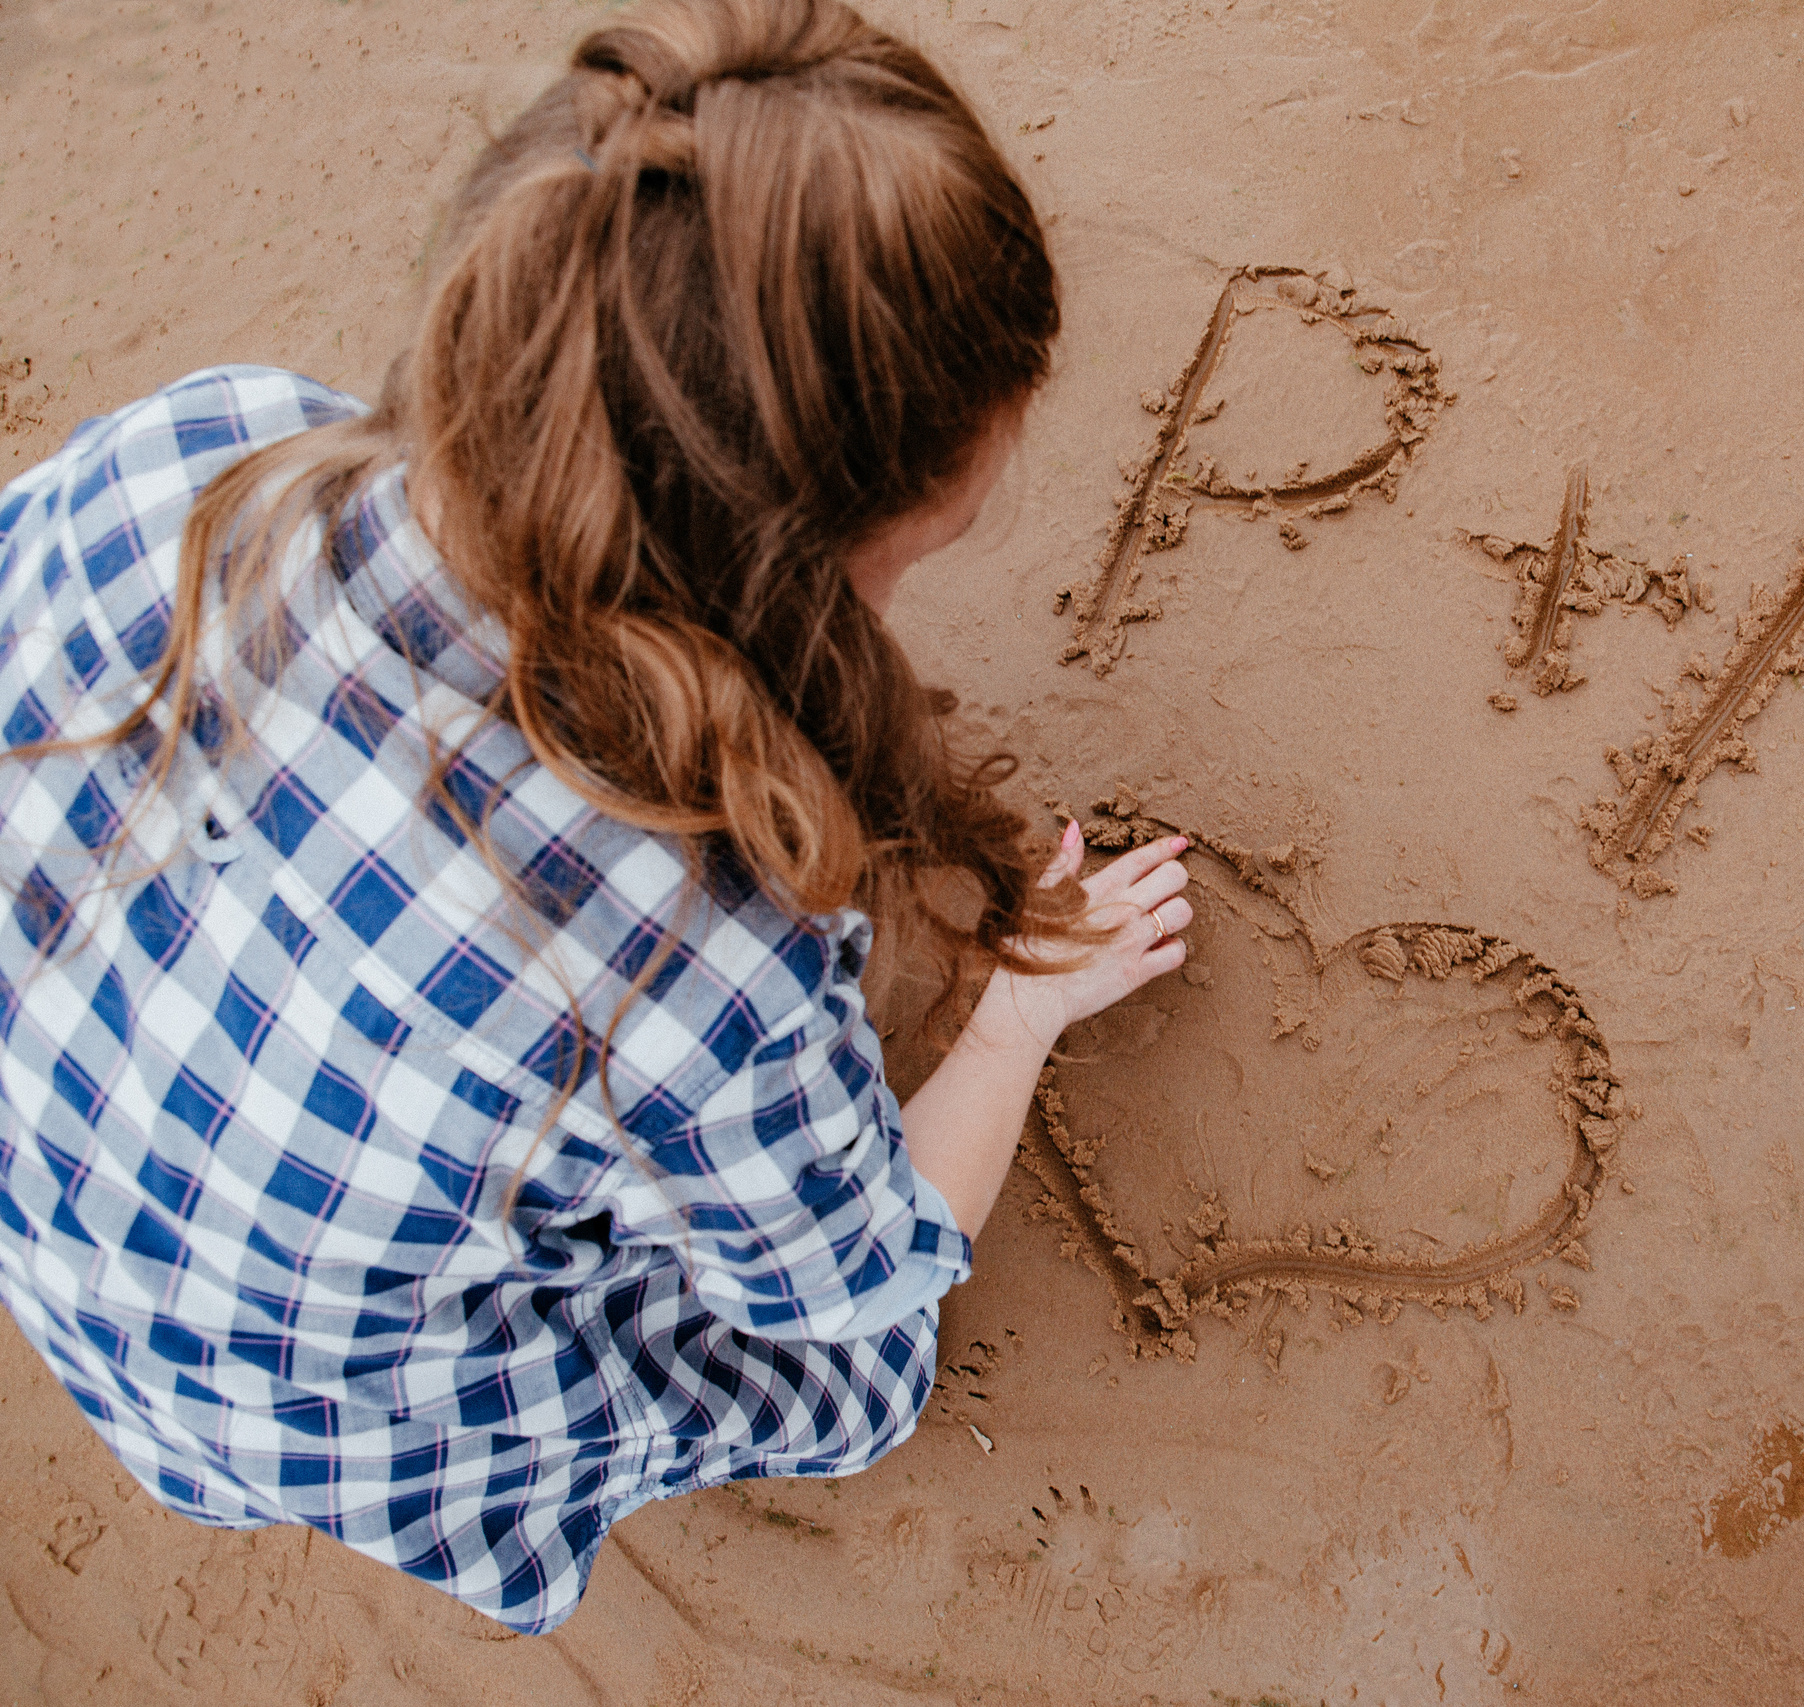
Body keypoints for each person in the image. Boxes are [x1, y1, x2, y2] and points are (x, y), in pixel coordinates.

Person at [0, 0, 1188, 1635]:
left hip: (75, 1218)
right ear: (810, 543)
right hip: (334, 1414)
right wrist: (1010, 1024)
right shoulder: (704, 932)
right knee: (860, 1378)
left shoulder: (193, 457)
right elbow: (849, 1273)